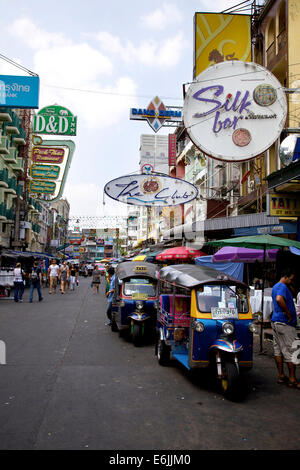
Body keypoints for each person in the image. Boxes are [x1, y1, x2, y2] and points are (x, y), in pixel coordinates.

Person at [271, 268, 300, 389]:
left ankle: (281, 375)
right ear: (286, 277)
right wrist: (288, 313)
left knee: (278, 349)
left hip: (276, 321)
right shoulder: (282, 286)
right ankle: (292, 379)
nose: (291, 281)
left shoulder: (276, 286)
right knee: (291, 350)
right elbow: (279, 299)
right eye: (291, 279)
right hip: (284, 322)